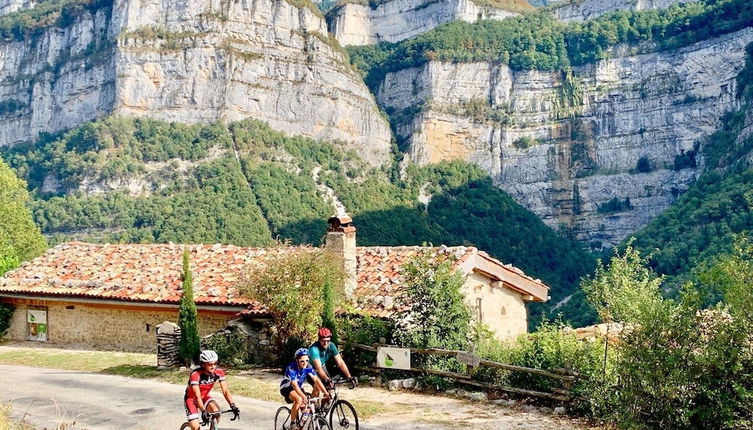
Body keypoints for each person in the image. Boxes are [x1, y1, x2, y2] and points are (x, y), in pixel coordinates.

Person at [184, 350, 240, 429]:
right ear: (203, 364)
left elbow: (225, 391)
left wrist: (232, 405)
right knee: (196, 427)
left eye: (215, 363)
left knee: (216, 412)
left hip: (204, 397)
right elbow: (197, 395)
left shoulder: (219, 372)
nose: (213, 366)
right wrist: (203, 410)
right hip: (191, 399)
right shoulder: (196, 374)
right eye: (210, 364)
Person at [280, 348, 329, 430]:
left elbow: (317, 380)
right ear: (297, 360)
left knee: (306, 408)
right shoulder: (292, 368)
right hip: (287, 387)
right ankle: (292, 424)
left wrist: (326, 393)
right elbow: (294, 385)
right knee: (299, 399)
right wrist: (303, 396)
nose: (305, 363)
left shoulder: (308, 366)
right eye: (302, 361)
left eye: (307, 360)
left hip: (298, 388)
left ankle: (301, 425)